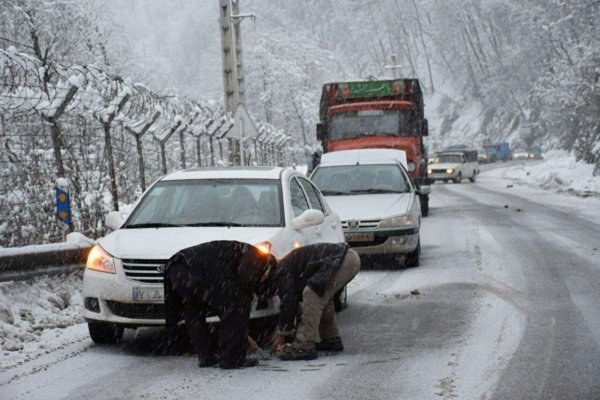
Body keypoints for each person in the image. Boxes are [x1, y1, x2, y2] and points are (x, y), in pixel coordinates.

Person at [164, 240, 277, 369]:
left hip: (177, 268)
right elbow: (244, 284)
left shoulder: (239, 251)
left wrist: (240, 333)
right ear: (268, 270)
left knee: (194, 311)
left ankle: (206, 356)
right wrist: (240, 332)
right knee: (236, 305)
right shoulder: (258, 257)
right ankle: (231, 359)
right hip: (196, 269)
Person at [272, 242, 360, 360]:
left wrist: (282, 333)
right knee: (320, 295)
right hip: (348, 257)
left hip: (342, 260)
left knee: (311, 295)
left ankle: (304, 346)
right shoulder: (290, 265)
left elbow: (289, 302)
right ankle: (330, 339)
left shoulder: (281, 270)